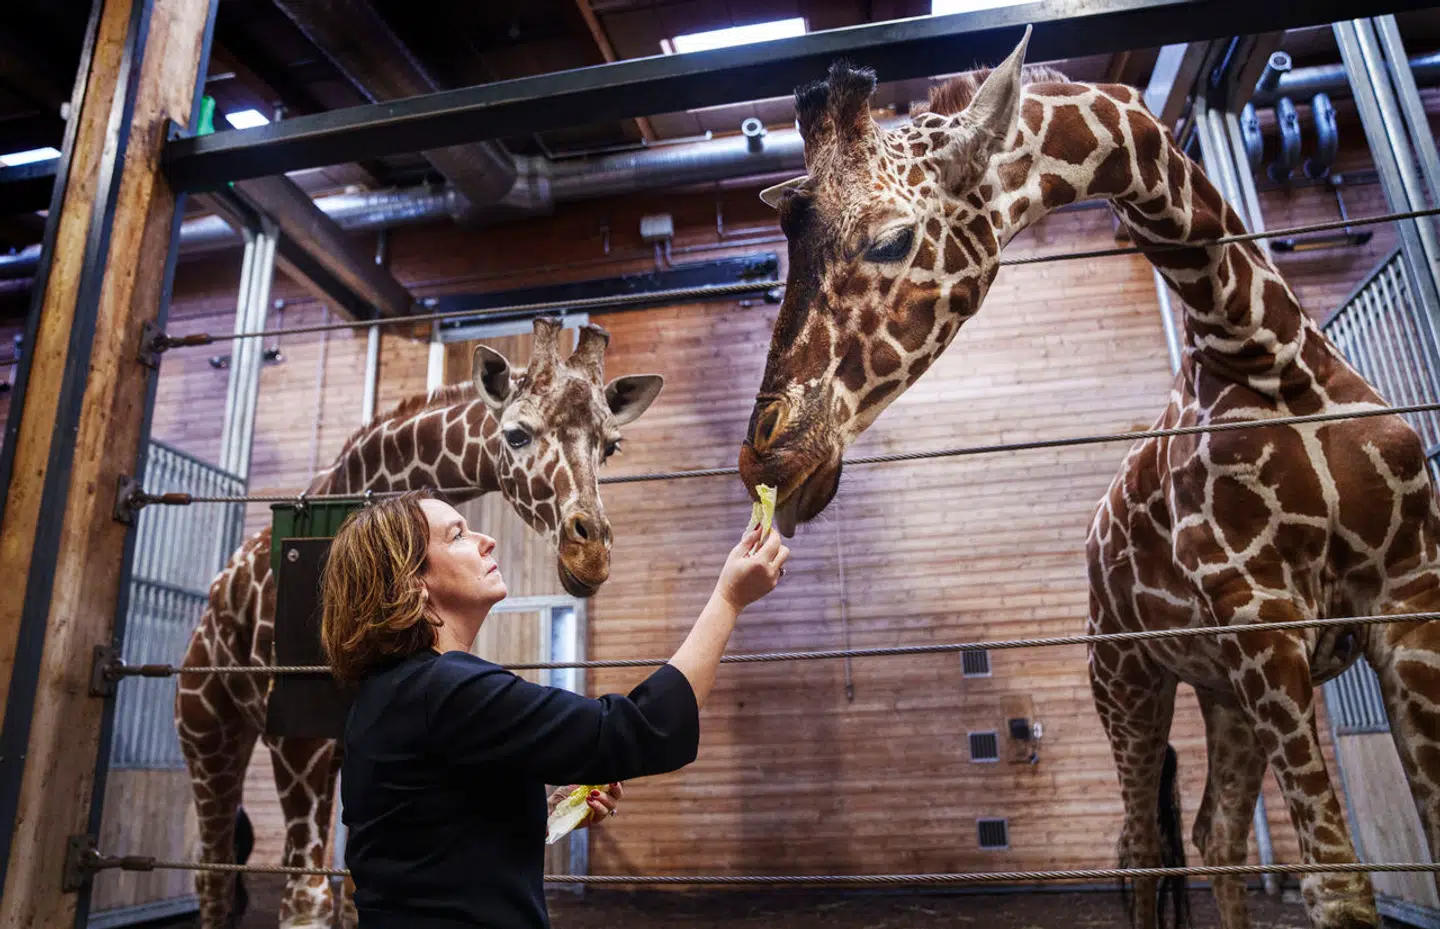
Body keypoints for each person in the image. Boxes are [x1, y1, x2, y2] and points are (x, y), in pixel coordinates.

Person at [320, 488, 789, 929]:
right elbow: (639, 731)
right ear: (412, 582)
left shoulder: (384, 695)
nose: (487, 540)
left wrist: (544, 810)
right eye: (458, 535)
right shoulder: (447, 689)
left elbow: (428, 838)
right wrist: (729, 599)